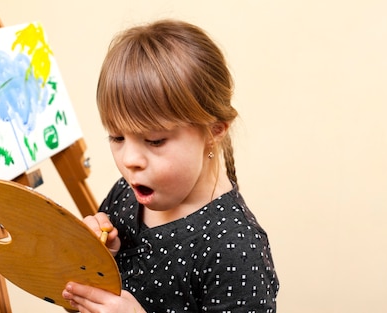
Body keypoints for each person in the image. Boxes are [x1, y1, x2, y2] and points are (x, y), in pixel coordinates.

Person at [61, 19, 279, 313]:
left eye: (154, 141)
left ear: (214, 130)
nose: (129, 160)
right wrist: (97, 264)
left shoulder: (236, 250)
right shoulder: (127, 194)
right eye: (117, 137)